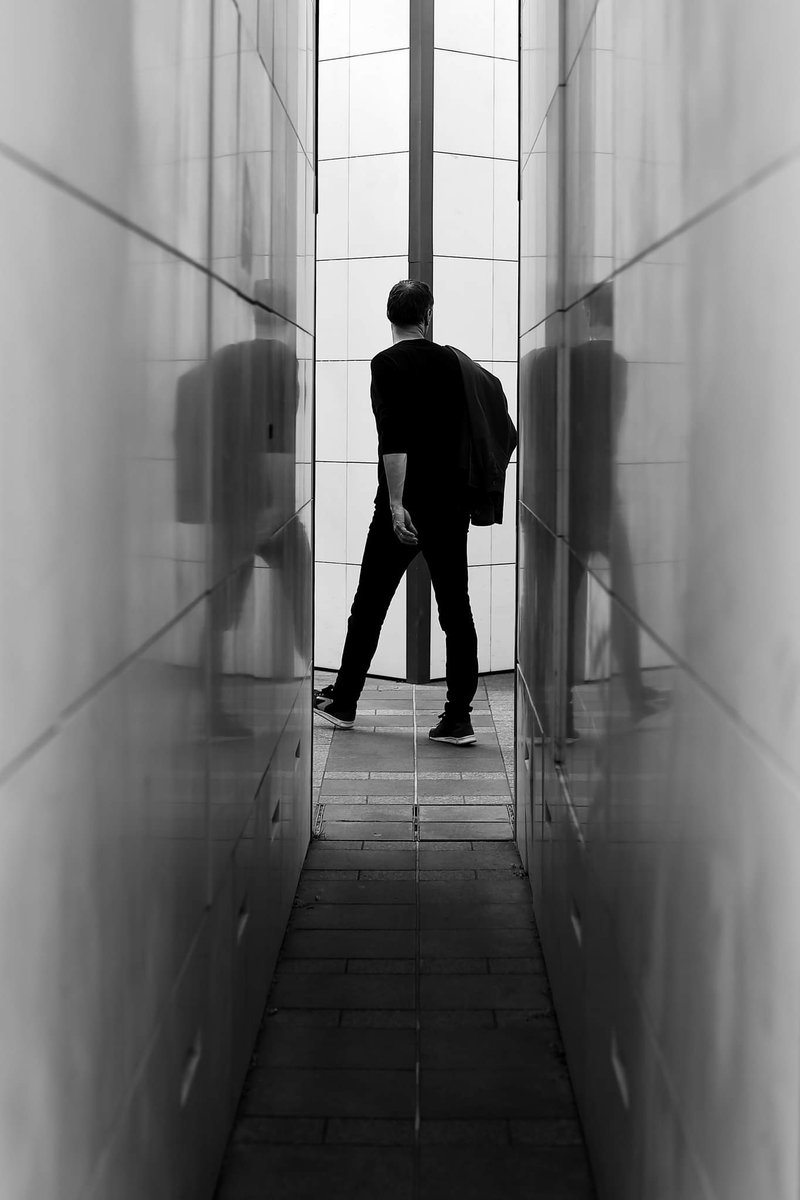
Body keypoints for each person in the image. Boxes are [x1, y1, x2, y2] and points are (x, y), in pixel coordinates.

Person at [314, 279, 514, 745]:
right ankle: (458, 718)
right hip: (451, 505)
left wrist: (398, 503)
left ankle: (345, 701)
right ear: (427, 316)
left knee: (370, 604)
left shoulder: (387, 363)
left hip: (405, 507)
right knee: (455, 608)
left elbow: (394, 438)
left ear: (391, 317)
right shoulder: (453, 362)